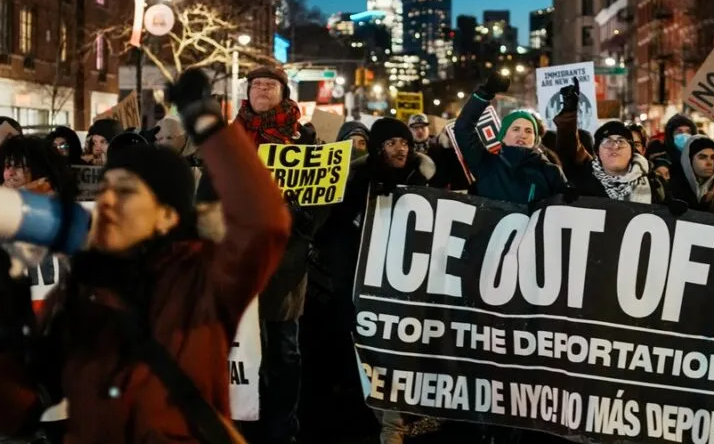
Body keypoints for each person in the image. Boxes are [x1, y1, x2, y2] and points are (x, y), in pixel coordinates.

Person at [0, 69, 292, 444]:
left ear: (167, 215)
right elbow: (15, 415)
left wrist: (207, 123)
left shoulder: (201, 279)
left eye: (125, 192)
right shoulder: (80, 291)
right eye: (105, 190)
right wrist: (0, 335)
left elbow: (265, 222)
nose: (107, 202)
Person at [196, 65, 325, 444]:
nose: (262, 90)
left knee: (284, 349)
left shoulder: (304, 143)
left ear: (284, 95)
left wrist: (305, 218)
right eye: (256, 85)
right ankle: (238, 422)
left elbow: (322, 200)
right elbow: (204, 200)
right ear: (247, 93)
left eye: (270, 85)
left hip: (285, 262)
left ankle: (282, 426)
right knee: (237, 349)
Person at [316, 118, 438, 444]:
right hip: (361, 281)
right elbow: (335, 226)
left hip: (405, 284)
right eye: (392, 143)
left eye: (406, 143)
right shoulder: (356, 182)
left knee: (401, 351)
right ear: (378, 147)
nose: (401, 149)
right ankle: (382, 419)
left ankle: (393, 423)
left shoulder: (423, 180)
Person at [452, 73, 565, 204]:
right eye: (515, 129)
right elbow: (463, 127)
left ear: (535, 140)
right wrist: (485, 94)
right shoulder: (485, 164)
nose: (522, 135)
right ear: (503, 137)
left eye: (529, 131)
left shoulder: (551, 172)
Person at [553, 80, 665, 205]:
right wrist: (569, 113)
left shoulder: (655, 183)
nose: (615, 146)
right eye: (607, 142)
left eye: (621, 141)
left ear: (632, 150)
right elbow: (569, 147)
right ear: (597, 151)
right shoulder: (584, 177)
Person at [672, 135, 714, 210]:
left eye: (713, 158)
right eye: (702, 157)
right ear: (689, 160)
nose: (709, 163)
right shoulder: (672, 188)